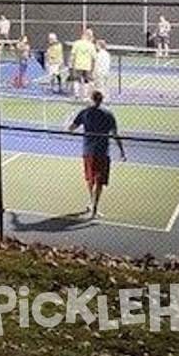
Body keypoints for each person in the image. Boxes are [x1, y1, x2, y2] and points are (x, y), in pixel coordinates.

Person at [67, 90, 126, 219]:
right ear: (102, 100)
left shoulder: (84, 112)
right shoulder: (108, 114)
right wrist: (122, 151)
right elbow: (115, 134)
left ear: (91, 99)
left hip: (88, 151)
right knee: (99, 181)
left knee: (90, 179)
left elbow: (71, 129)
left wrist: (68, 125)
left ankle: (92, 203)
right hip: (102, 152)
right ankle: (94, 207)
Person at [69, 28, 97, 100]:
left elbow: (73, 54)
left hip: (78, 65)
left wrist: (71, 63)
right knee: (86, 81)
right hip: (87, 66)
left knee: (76, 80)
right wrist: (93, 67)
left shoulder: (77, 43)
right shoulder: (91, 45)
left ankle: (76, 95)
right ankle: (85, 96)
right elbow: (94, 57)